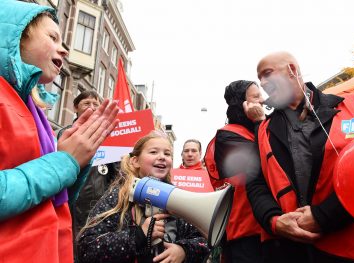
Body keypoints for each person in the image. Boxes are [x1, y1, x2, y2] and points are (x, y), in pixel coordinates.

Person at [243, 51, 354, 262]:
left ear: (292, 70)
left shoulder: (351, 106)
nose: (262, 82)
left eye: (267, 74)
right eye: (259, 77)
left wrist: (323, 216)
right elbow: (255, 183)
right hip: (290, 250)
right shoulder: (264, 129)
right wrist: (274, 220)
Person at [0, 1, 119, 262]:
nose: (64, 49)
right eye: (52, 37)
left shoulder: (33, 110)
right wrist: (63, 161)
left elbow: (50, 197)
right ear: (16, 37)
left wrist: (77, 161)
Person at [77, 131, 210, 263]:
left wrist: (183, 251)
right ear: (135, 161)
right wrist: (139, 235)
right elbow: (87, 249)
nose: (162, 157)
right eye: (153, 152)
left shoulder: (178, 198)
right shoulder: (119, 197)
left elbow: (202, 242)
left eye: (167, 154)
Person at [204, 80, 265, 263]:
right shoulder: (227, 135)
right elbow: (262, 162)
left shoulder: (259, 128)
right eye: (256, 96)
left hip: (271, 228)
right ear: (241, 103)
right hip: (245, 231)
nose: (262, 100)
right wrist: (260, 122)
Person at [58, 90, 119, 259]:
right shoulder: (66, 134)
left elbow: (116, 174)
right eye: (86, 103)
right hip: (72, 201)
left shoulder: (108, 137)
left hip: (98, 204)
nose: (91, 108)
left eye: (95, 104)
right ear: (75, 107)